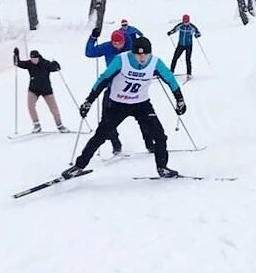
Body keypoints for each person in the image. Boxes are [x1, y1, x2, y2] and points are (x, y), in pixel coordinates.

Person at [63, 37, 186, 179]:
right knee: (101, 135)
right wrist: (88, 101)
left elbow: (170, 79)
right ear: (133, 53)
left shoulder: (155, 62)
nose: (142, 57)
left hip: (141, 104)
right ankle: (79, 166)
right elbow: (103, 79)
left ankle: (162, 167)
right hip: (118, 104)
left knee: (159, 135)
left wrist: (180, 100)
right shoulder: (121, 60)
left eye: (145, 54)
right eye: (138, 54)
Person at [84, 27, 130, 154]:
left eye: (119, 43)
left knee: (142, 115)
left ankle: (150, 143)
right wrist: (93, 38)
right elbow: (89, 52)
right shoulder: (108, 47)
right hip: (111, 86)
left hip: (129, 88)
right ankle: (116, 143)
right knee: (106, 118)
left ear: (124, 41)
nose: (117, 45)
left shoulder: (130, 47)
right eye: (114, 43)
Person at [13, 48, 69, 133]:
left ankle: (60, 125)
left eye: (35, 59)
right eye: (32, 59)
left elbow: (56, 68)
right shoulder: (29, 63)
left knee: (53, 108)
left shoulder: (45, 63)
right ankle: (36, 125)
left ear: (38, 57)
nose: (33, 60)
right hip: (33, 89)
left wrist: (56, 65)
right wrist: (16, 55)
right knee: (30, 106)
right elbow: (18, 63)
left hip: (46, 89)